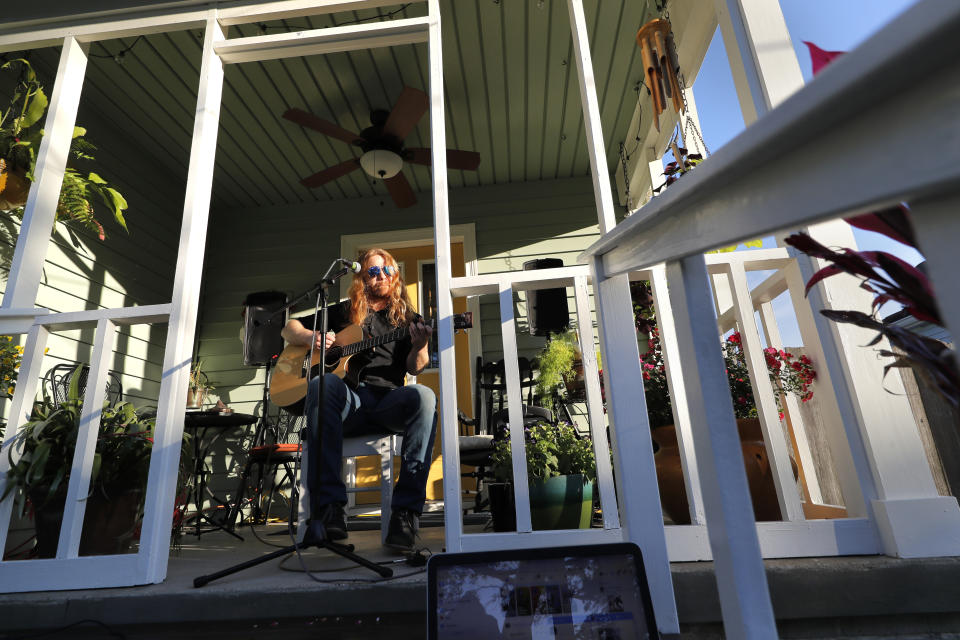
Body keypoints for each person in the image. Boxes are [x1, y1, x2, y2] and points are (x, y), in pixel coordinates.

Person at [280, 248, 437, 552]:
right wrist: (310, 338)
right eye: (373, 271)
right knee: (322, 383)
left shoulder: (407, 318)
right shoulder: (344, 312)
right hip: (348, 402)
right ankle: (330, 509)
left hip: (387, 401)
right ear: (362, 278)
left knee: (425, 397)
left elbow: (415, 366)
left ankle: (405, 515)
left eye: (387, 271)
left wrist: (421, 344)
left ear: (396, 276)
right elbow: (289, 327)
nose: (381, 277)